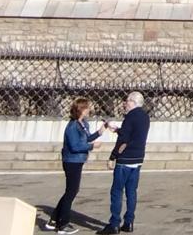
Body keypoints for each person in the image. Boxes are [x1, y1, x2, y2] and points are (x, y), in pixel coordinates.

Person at [46, 97, 103, 234]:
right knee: (72, 191)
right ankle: (63, 224)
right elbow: (75, 146)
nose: (89, 110)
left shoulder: (83, 124)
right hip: (71, 161)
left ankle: (54, 219)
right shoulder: (72, 126)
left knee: (71, 191)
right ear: (81, 110)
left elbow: (86, 138)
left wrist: (98, 133)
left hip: (78, 160)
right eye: (87, 107)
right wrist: (92, 146)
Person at [96, 91, 150, 235]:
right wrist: (118, 130)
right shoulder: (145, 117)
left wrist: (113, 156)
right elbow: (133, 134)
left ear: (133, 102)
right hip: (138, 158)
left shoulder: (130, 117)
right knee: (132, 192)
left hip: (125, 159)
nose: (124, 104)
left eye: (127, 101)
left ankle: (114, 223)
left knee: (117, 191)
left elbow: (124, 141)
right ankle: (129, 221)